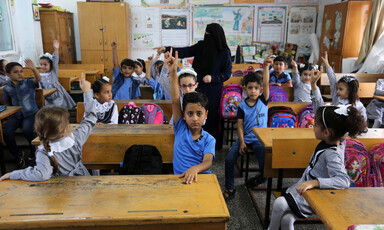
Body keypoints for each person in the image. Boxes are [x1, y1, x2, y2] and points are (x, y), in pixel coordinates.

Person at [268, 103, 367, 230]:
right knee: (287, 219)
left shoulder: (332, 154)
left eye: (315, 125)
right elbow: (331, 120)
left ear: (326, 132)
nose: (313, 127)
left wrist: (314, 182)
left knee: (279, 203)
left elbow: (343, 180)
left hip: (318, 194)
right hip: (306, 185)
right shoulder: (337, 139)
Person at [0, 75, 97, 182]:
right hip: (83, 183)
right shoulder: (76, 138)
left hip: (61, 194)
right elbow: (90, 118)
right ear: (65, 130)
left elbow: (42, 175)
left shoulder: (44, 152)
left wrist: (14, 173)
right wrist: (87, 92)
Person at [155, 23, 232, 150]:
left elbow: (227, 73)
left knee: (210, 116)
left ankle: (211, 146)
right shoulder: (202, 46)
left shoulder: (224, 52)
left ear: (216, 37)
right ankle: (193, 143)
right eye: (205, 33)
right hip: (196, 86)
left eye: (209, 35)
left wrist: (213, 78)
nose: (206, 36)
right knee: (194, 115)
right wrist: (167, 48)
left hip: (214, 90)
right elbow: (185, 51)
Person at [223, 55, 271, 200]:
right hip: (246, 138)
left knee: (265, 162)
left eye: (256, 88)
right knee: (229, 160)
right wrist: (242, 142)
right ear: (245, 89)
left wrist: (266, 66)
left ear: (261, 89)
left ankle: (262, 178)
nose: (253, 91)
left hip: (260, 139)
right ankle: (230, 188)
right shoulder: (242, 106)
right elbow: (239, 126)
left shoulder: (263, 101)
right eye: (250, 88)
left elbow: (267, 83)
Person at [167, 49, 215, 184]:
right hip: (180, 181)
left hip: (201, 179)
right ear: (183, 116)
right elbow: (175, 100)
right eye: (190, 114)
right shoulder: (180, 128)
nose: (194, 118)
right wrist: (172, 72)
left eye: (199, 114)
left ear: (206, 115)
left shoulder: (209, 139)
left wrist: (195, 169)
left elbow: (207, 161)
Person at [3, 60, 41, 168]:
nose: (20, 74)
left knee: (27, 130)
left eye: (21, 71)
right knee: (6, 132)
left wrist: (34, 69)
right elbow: (6, 101)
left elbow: (38, 79)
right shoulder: (7, 88)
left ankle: (34, 152)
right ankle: (17, 155)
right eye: (16, 72)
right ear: (8, 75)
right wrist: (7, 117)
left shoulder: (28, 83)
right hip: (16, 115)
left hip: (31, 114)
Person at [312, 51, 367, 120]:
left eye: (341, 89)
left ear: (350, 91)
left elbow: (363, 122)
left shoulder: (358, 106)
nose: (337, 91)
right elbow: (332, 80)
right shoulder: (337, 97)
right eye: (337, 88)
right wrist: (327, 64)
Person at [39, 40, 76, 110]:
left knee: (59, 109)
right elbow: (39, 85)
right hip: (46, 97)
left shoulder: (53, 71)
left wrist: (56, 49)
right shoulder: (39, 75)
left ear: (51, 65)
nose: (43, 66)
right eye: (41, 64)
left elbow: (55, 59)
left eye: (45, 64)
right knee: (48, 109)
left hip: (57, 95)